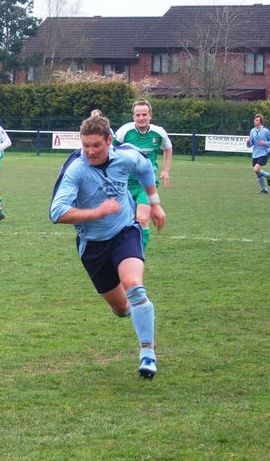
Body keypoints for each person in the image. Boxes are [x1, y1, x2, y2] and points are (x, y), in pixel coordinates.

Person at [49, 114, 167, 379]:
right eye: (85, 145)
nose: (90, 151)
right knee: (121, 308)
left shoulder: (125, 156)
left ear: (109, 141)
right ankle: (138, 315)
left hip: (125, 231)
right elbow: (56, 213)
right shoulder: (76, 169)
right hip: (92, 247)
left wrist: (155, 203)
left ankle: (147, 352)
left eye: (96, 145)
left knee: (134, 286)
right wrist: (95, 212)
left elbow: (145, 167)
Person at [114, 100, 172, 251]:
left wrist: (166, 170)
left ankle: (138, 254)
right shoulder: (124, 132)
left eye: (144, 114)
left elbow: (168, 148)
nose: (141, 118)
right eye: (138, 115)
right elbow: (110, 150)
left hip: (146, 185)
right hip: (124, 183)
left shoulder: (158, 133)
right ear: (133, 116)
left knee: (142, 219)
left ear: (150, 116)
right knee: (122, 221)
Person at [246, 113, 270, 193]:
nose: (255, 121)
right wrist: (248, 142)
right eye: (255, 120)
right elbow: (250, 145)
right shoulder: (252, 131)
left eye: (257, 120)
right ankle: (264, 190)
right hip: (255, 154)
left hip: (263, 154)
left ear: (261, 122)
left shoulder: (265, 131)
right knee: (257, 173)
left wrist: (265, 143)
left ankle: (268, 175)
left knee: (256, 169)